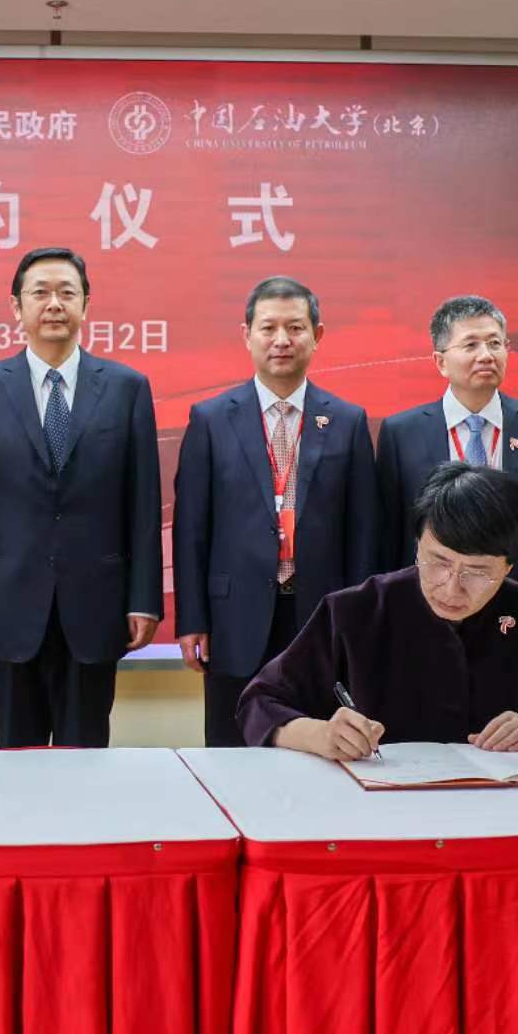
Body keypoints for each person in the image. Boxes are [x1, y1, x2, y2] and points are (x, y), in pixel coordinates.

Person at [239, 463, 518, 759]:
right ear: (417, 545)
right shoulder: (356, 611)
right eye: (438, 562)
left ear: (508, 566)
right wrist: (318, 734)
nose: (451, 587)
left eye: (477, 572)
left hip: (509, 812)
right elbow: (259, 702)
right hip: (379, 808)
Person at [0, 246, 162, 748]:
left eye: (67, 292)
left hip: (96, 606)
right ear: (16, 307)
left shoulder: (127, 388)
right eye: (40, 292)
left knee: (86, 756)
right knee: (14, 754)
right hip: (4, 608)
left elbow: (143, 507)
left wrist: (144, 599)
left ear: (86, 304)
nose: (54, 303)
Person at [172, 275, 378, 746]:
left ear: (317, 335)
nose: (281, 340)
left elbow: (363, 532)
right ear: (247, 335)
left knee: (320, 749)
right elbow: (191, 530)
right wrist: (192, 620)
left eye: (295, 327)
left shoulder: (347, 421)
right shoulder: (210, 419)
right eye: (268, 328)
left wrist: (359, 621)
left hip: (320, 616)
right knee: (231, 749)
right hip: (234, 616)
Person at [375, 294, 518, 608]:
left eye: (495, 344)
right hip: (431, 602)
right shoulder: (401, 432)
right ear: (440, 362)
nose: (486, 355)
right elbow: (389, 534)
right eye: (471, 345)